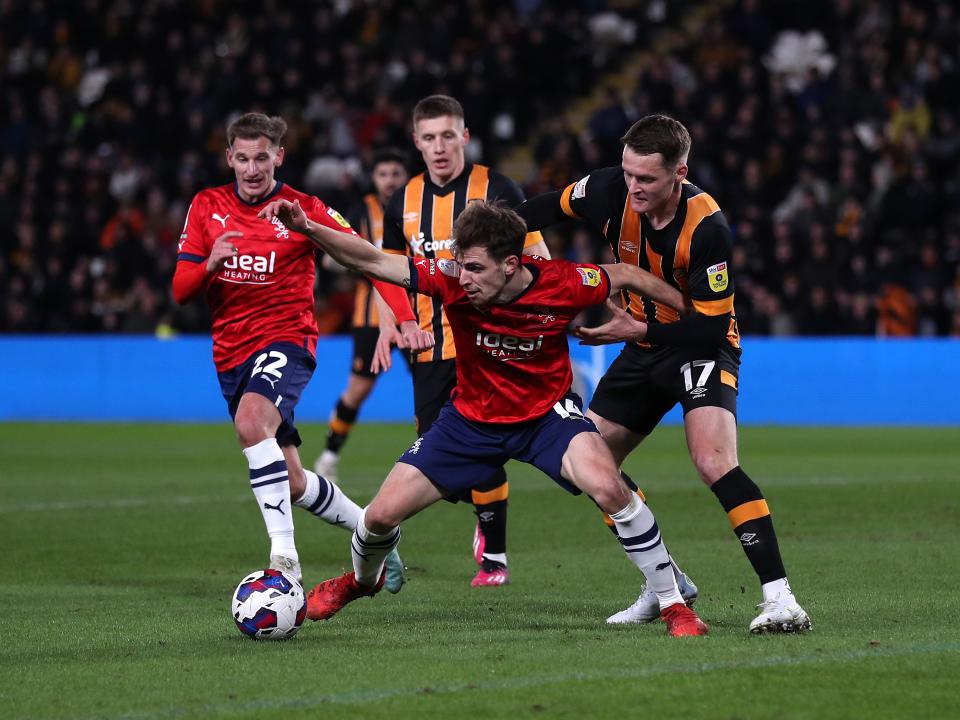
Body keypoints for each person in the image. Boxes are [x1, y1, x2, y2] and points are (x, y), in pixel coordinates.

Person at [259, 197, 709, 637]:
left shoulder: (567, 282)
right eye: (461, 264)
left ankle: (673, 605)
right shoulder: (452, 278)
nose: (465, 277)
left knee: (609, 486)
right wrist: (310, 230)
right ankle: (361, 581)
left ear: (511, 264)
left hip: (546, 418)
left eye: (475, 267)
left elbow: (628, 274)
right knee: (377, 518)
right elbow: (375, 262)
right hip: (469, 421)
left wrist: (693, 317)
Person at [517, 114, 811, 634]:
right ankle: (665, 583)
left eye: (646, 179)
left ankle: (780, 598)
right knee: (589, 462)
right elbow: (538, 209)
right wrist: (493, 235)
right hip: (640, 339)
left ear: (680, 172)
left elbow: (710, 325)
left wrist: (636, 330)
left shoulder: (708, 228)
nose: (633, 188)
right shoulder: (608, 188)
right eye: (628, 173)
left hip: (698, 345)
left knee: (713, 462)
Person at [171, 112, 404, 591]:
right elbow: (179, 290)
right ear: (229, 158)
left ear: (279, 156)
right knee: (292, 481)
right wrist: (210, 264)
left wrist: (401, 318)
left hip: (287, 341)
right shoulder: (207, 206)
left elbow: (370, 258)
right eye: (242, 158)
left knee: (251, 423)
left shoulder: (304, 207)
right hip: (230, 353)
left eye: (262, 158)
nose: (252, 169)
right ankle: (375, 532)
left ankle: (284, 561)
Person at [374, 95, 552, 588]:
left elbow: (535, 258)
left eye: (448, 136)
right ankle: (482, 521)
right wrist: (400, 320)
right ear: (416, 142)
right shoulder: (402, 200)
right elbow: (388, 271)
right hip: (430, 346)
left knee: (485, 448)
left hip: (492, 345)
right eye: (429, 138)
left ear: (465, 137)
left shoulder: (498, 188)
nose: (439, 147)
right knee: (441, 456)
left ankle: (494, 557)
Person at [313, 148, 417, 485]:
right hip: (371, 318)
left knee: (430, 387)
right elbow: (331, 257)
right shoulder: (360, 212)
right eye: (383, 174)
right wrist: (358, 264)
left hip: (420, 315)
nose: (389, 181)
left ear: (406, 177)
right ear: (374, 179)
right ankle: (329, 455)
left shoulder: (419, 207)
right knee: (357, 390)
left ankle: (436, 458)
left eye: (395, 174)